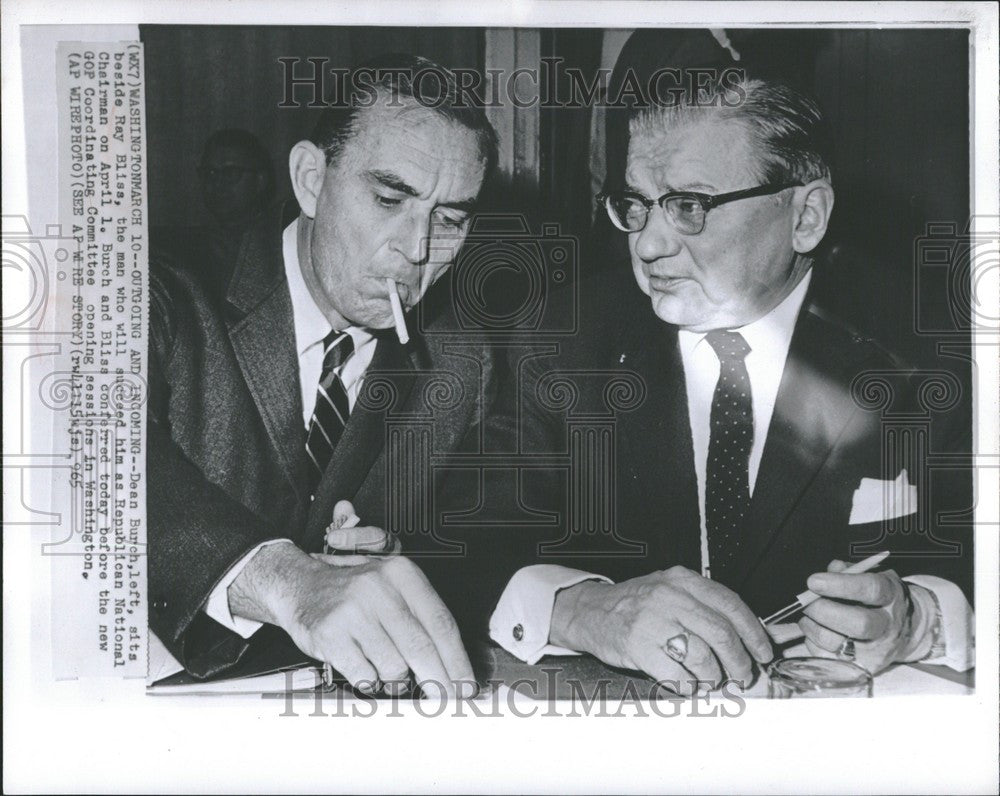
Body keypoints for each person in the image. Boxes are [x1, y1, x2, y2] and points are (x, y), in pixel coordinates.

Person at [484, 74, 974, 693]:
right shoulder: (559, 340)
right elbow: (471, 536)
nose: (649, 244)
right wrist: (581, 609)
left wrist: (920, 617)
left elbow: (976, 551)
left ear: (806, 217)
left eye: (689, 205)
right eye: (635, 205)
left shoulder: (932, 350)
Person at [148, 54, 499, 695]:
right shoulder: (163, 287)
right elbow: (104, 472)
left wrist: (403, 548)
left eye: (450, 219)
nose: (417, 249)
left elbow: (473, 542)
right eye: (390, 199)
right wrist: (288, 579)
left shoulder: (458, 361)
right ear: (311, 180)